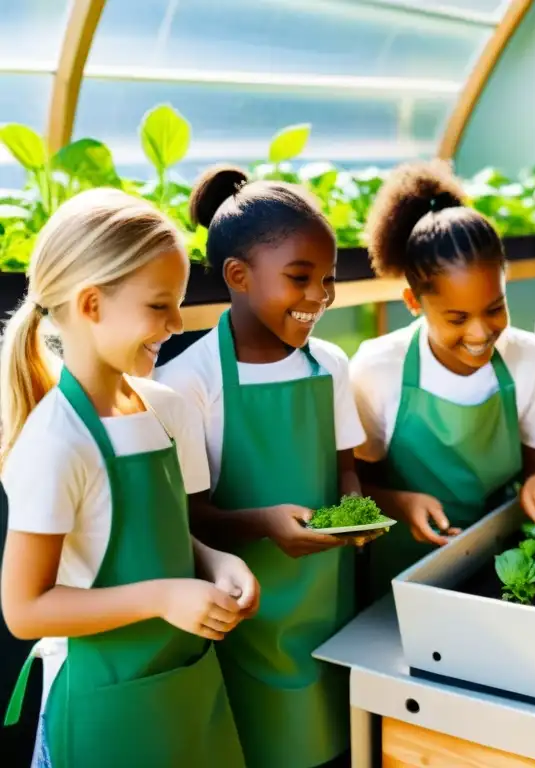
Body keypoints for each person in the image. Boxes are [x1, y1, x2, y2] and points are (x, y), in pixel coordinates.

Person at [0, 189, 256, 768]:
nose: (176, 323)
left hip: (184, 692)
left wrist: (214, 561)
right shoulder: (55, 442)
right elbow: (25, 609)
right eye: (159, 305)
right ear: (92, 304)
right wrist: (164, 596)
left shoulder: (168, 411)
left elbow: (164, 535)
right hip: (100, 707)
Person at [155, 167, 372, 768]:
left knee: (336, 742)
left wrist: (355, 515)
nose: (319, 298)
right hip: (243, 612)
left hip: (330, 601)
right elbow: (190, 519)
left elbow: (345, 470)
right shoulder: (186, 382)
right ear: (238, 276)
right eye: (300, 279)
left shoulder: (328, 362)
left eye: (327, 280)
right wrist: (266, 523)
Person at [350, 159, 535, 600]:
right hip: (405, 573)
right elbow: (353, 490)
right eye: (456, 318)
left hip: (505, 565)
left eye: (494, 308)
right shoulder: (377, 369)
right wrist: (400, 503)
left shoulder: (531, 359)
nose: (480, 332)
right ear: (414, 301)